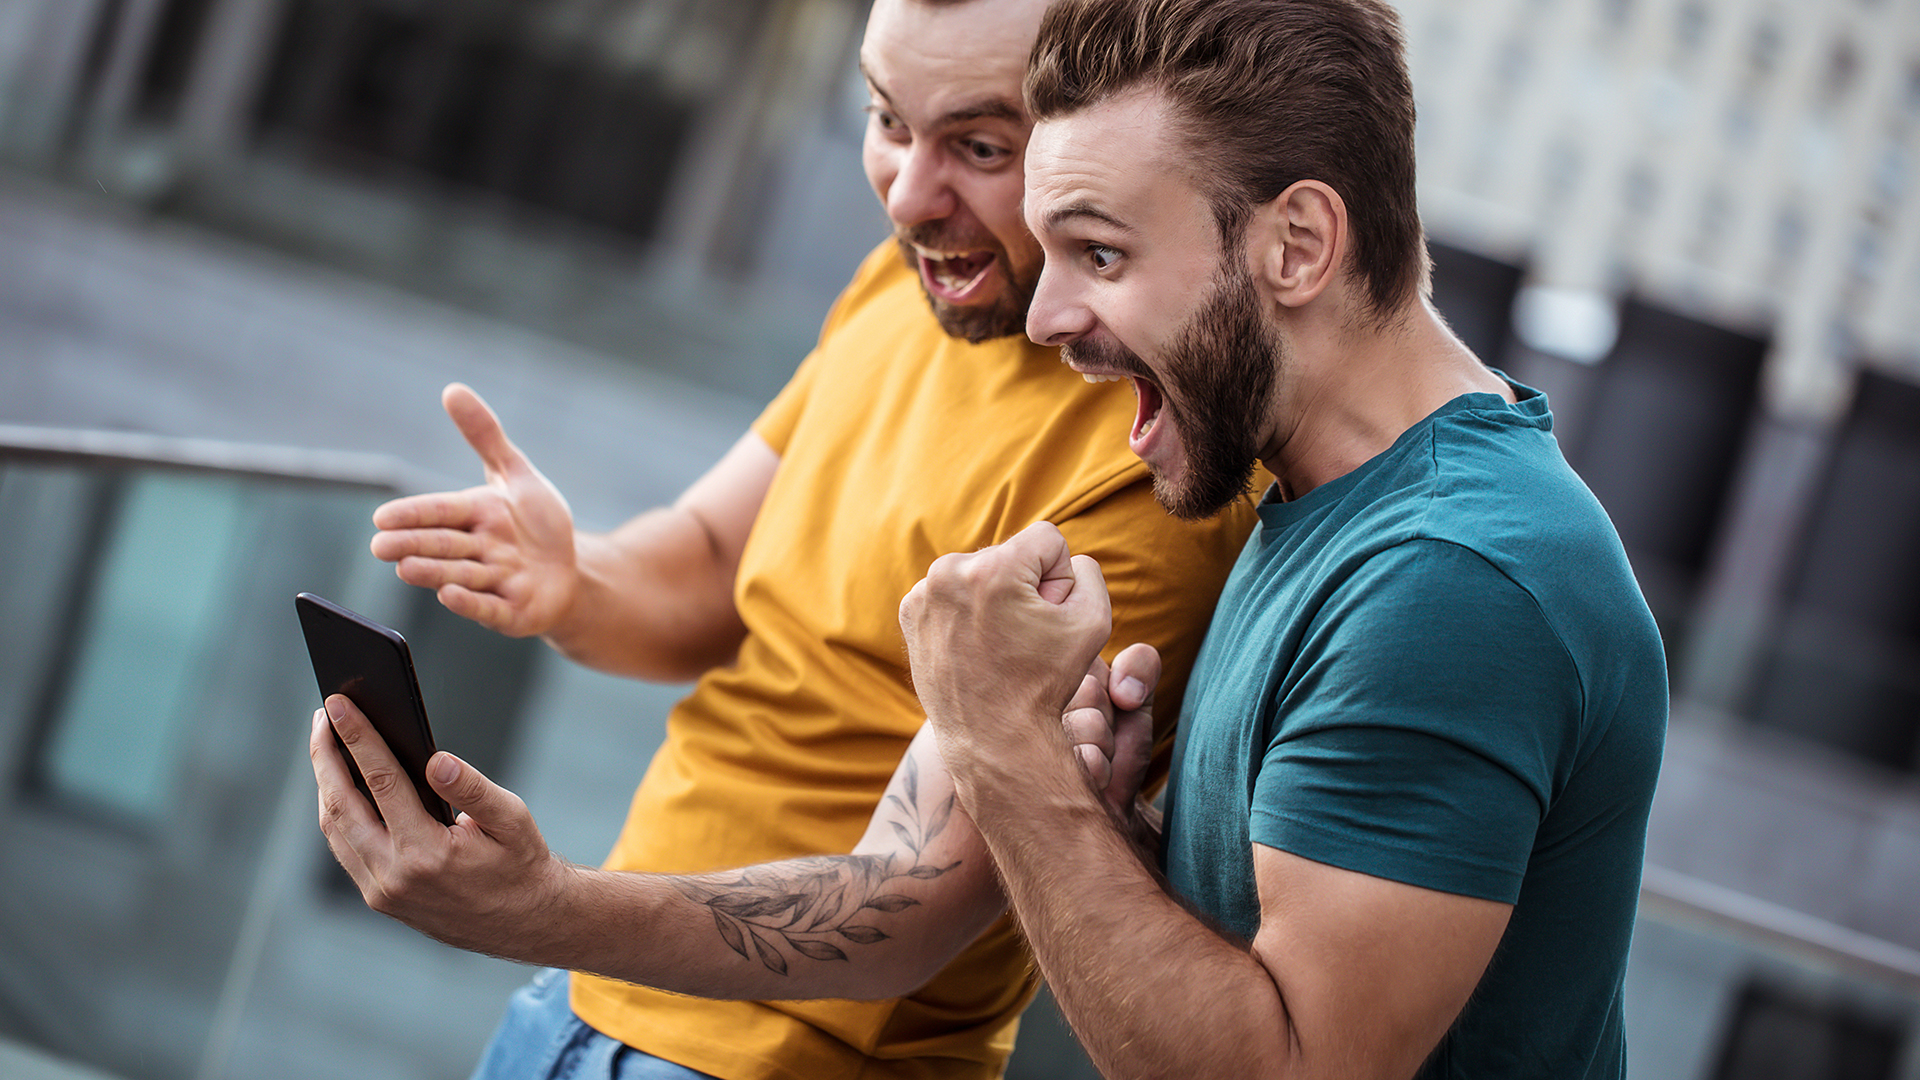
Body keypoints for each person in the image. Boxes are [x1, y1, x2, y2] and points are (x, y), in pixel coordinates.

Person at [308, 0, 1257, 1077]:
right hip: (576, 1008)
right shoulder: (907, 284)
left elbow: (909, 906)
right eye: (887, 120)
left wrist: (539, 906)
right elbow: (714, 563)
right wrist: (575, 580)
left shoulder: (1156, 458)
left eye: (981, 147)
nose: (908, 195)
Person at [898, 0, 1670, 1077]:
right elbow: (1267, 962)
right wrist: (1102, 829)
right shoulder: (1334, 504)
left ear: (1297, 246)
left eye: (1101, 254)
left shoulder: (1449, 579)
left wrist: (1002, 746)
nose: (1046, 317)